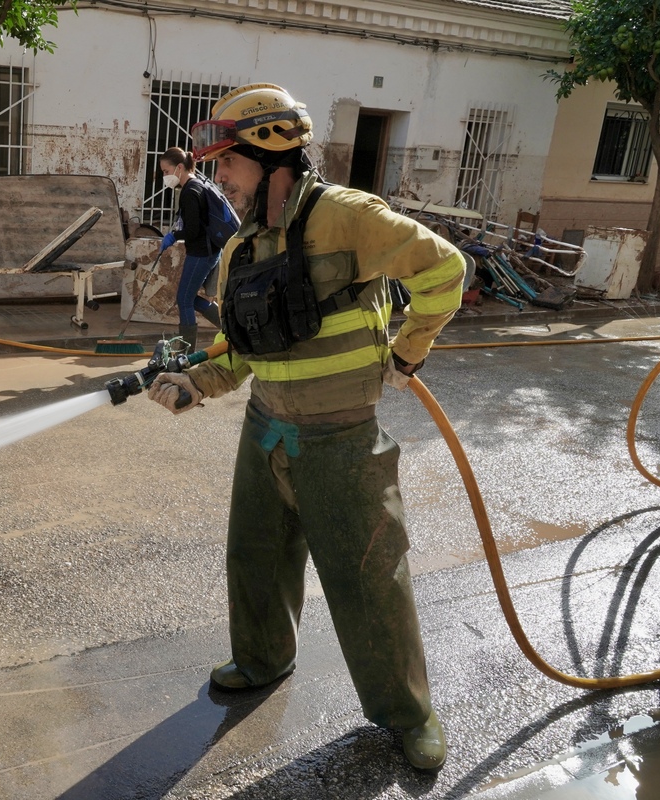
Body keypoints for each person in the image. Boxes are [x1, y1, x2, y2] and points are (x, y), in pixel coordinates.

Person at [147, 83, 464, 772]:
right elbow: (239, 349)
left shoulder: (349, 218)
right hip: (268, 430)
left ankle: (409, 714)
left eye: (227, 161)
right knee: (255, 557)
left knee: (371, 581)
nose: (218, 177)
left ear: (270, 151)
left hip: (342, 437)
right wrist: (193, 384)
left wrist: (408, 353)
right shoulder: (242, 249)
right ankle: (262, 659)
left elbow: (446, 269)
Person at [157, 147, 222, 351]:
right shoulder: (198, 184)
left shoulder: (190, 192)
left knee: (184, 299)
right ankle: (231, 326)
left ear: (179, 168)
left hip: (202, 252)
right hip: (209, 250)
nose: (165, 176)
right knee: (189, 297)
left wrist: (174, 236)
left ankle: (185, 353)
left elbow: (193, 230)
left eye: (166, 171)